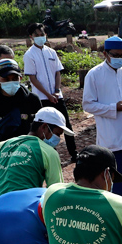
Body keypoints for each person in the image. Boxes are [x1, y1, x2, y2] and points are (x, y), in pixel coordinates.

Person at [82, 36, 122, 208]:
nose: (120, 58)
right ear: (105, 54)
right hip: (112, 136)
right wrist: (113, 108)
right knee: (119, 182)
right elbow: (88, 104)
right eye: (116, 55)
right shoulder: (94, 74)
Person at [0, 107, 71, 197]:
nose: (58, 139)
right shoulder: (48, 152)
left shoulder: (5, 144)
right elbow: (56, 192)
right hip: (25, 206)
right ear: (44, 127)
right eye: (57, 134)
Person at [24, 22, 78, 162]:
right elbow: (33, 78)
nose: (40, 37)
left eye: (42, 34)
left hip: (56, 95)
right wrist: (48, 95)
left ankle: (74, 153)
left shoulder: (51, 52)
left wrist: (55, 91)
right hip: (42, 97)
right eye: (37, 35)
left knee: (66, 124)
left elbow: (57, 73)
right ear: (31, 37)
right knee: (47, 127)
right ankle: (50, 155)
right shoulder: (29, 55)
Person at [0, 59, 43, 152]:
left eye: (14, 78)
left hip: (27, 152)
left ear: (20, 78)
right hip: (0, 154)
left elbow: (41, 129)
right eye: (6, 79)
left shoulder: (31, 100)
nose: (11, 82)